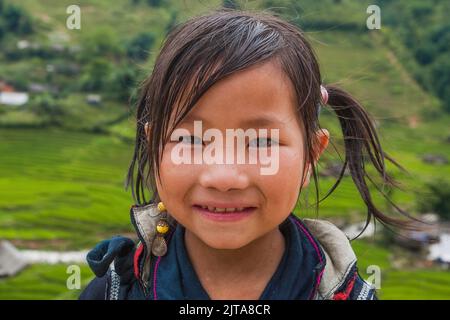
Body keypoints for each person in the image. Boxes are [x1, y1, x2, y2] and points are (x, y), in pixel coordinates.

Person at [79, 9, 413, 300]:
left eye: (261, 142)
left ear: (311, 155)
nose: (224, 177)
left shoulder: (348, 296)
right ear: (155, 150)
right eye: (191, 139)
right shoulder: (112, 291)